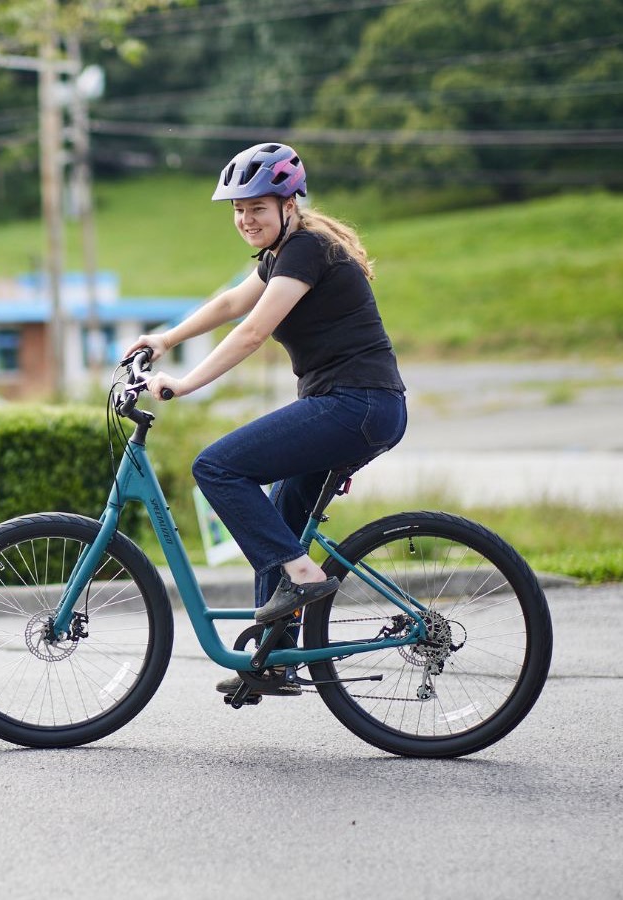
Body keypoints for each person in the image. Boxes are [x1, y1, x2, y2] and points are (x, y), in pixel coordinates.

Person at [124, 142, 407, 697]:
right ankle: (274, 658)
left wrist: (183, 382)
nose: (245, 219)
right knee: (278, 515)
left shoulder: (307, 249)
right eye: (237, 209)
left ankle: (304, 580)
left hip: (356, 404)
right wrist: (164, 338)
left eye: (257, 207)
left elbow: (251, 332)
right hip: (354, 405)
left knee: (218, 468)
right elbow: (231, 303)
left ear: (289, 204)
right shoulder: (286, 253)